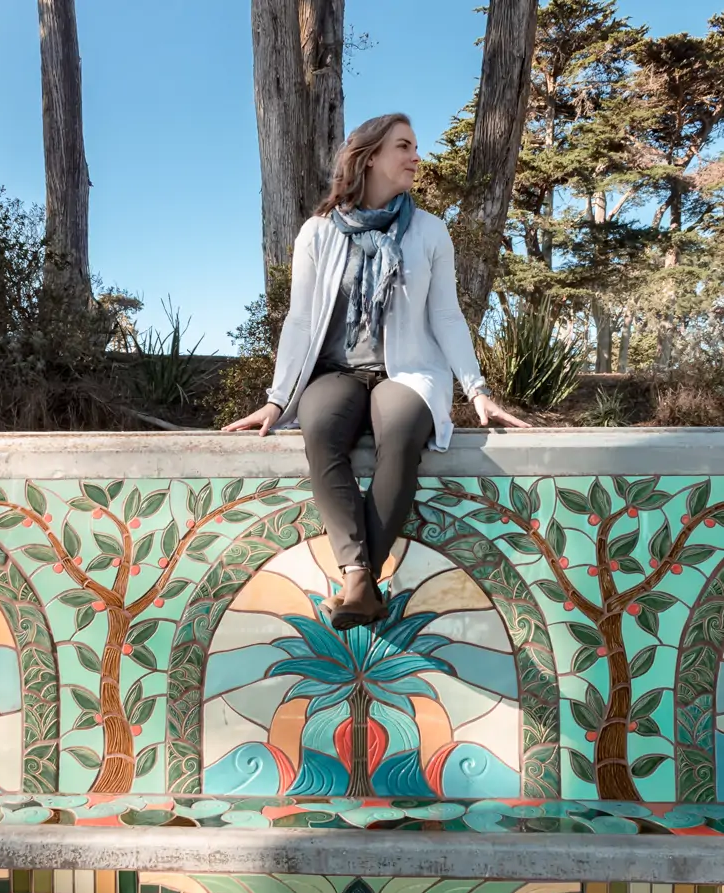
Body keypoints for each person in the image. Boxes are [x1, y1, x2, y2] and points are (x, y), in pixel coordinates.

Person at [223, 113, 529, 631]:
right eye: (404, 146)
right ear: (369, 158)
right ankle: (359, 573)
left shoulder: (429, 232)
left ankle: (358, 581)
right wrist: (277, 400)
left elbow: (447, 315)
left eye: (414, 146)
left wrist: (478, 392)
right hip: (336, 370)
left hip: (405, 372)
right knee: (319, 429)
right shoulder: (318, 233)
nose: (415, 157)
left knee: (404, 429)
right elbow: (299, 320)